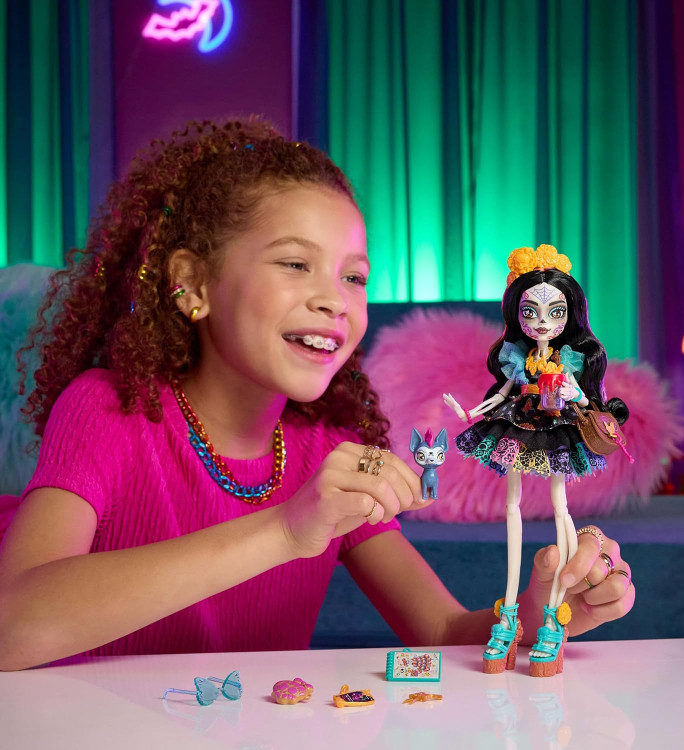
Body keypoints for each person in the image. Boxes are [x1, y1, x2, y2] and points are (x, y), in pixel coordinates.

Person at [0, 121, 634, 672]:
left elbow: (443, 633)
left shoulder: (330, 452)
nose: (334, 299)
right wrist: (284, 529)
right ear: (192, 284)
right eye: (295, 264)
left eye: (353, 276)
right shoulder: (107, 409)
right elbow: (11, 626)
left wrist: (544, 611)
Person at [444, 244, 634, 676]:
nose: (542, 322)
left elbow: (584, 398)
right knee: (510, 508)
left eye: (555, 312)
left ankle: (553, 617)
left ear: (570, 314)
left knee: (560, 507)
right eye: (530, 312)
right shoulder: (516, 356)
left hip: (557, 426)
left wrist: (574, 392)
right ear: (517, 315)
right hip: (517, 423)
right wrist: (470, 413)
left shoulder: (570, 359)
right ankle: (508, 614)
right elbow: (502, 394)